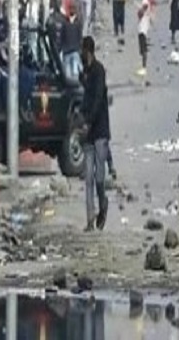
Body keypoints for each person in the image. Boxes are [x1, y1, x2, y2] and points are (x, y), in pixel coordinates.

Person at [79, 37, 111, 232]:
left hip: (99, 130)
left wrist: (89, 121)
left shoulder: (98, 71)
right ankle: (90, 220)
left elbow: (98, 99)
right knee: (88, 179)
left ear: (88, 51)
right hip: (88, 133)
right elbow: (85, 99)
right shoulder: (86, 72)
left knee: (99, 178)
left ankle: (103, 204)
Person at [61, 3, 83, 79]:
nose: (72, 10)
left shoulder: (78, 23)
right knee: (67, 75)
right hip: (67, 52)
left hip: (75, 51)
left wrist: (80, 49)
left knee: (75, 73)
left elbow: (80, 37)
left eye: (73, 8)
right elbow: (62, 37)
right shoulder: (65, 22)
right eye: (70, 8)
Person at [136, 0, 151, 76]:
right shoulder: (145, 0)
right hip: (143, 28)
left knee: (143, 49)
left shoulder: (144, 0)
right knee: (142, 50)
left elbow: (144, 7)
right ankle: (143, 66)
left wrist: (140, 11)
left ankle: (144, 67)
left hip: (143, 29)